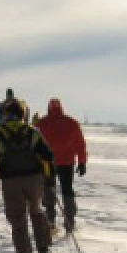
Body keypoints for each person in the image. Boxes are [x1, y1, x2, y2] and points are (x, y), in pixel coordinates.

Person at [0, 98, 58, 253]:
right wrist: (48, 179)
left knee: (18, 222)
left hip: (11, 181)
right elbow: (48, 155)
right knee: (37, 213)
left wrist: (0, 165)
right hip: (34, 179)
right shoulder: (32, 131)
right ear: (23, 114)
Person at [35, 97, 88, 234]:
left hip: (47, 163)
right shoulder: (72, 123)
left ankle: (50, 221)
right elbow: (80, 144)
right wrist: (82, 162)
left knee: (48, 189)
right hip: (67, 162)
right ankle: (69, 221)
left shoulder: (41, 123)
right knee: (67, 191)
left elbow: (34, 145)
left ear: (49, 108)